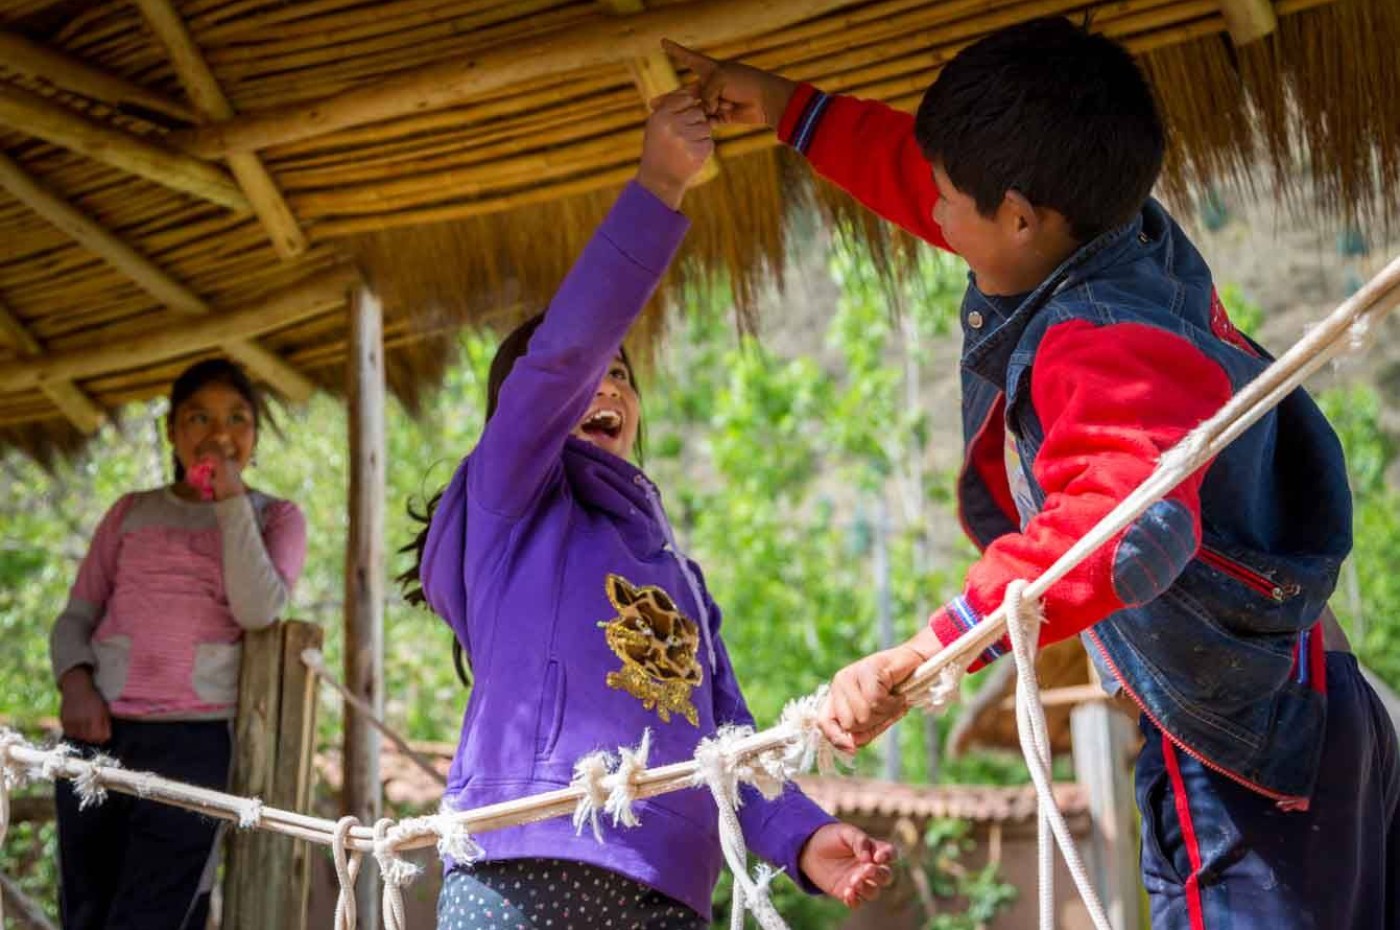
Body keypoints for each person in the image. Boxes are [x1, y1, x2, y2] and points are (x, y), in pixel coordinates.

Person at [666, 19, 1399, 929]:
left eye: (948, 199)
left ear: (1019, 214)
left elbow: (1118, 526)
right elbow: (928, 175)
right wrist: (789, 109)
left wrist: (928, 651)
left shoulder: (1102, 343)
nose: (930, 213)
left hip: (1249, 746)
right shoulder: (1118, 235)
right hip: (1296, 705)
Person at [401, 90, 894, 929]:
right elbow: (561, 359)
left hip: (670, 893)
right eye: (592, 369)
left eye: (624, 374)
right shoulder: (505, 499)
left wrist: (807, 839)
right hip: (522, 864)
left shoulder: (683, 583)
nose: (608, 384)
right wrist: (658, 185)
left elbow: (727, 747)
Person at [50, 358, 308, 930]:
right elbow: (73, 620)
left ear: (256, 436)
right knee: (84, 913)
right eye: (199, 418)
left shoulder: (276, 518)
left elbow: (258, 608)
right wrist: (76, 687)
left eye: (238, 419)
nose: (219, 434)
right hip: (96, 733)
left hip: (192, 743)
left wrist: (230, 496)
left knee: (155, 916)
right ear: (172, 431)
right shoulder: (131, 513)